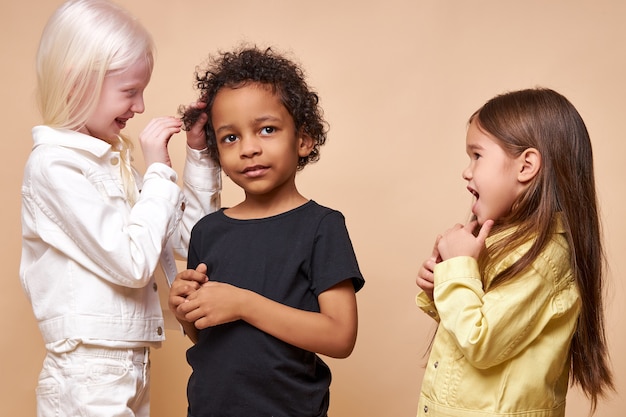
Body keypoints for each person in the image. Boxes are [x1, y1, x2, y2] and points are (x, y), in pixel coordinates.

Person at [19, 1, 221, 416]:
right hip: (88, 368)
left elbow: (189, 238)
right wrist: (158, 173)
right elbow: (132, 262)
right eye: (130, 91)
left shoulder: (115, 162)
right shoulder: (56, 166)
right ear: (78, 82)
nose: (141, 106)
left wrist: (198, 157)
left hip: (126, 359)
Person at [168, 46, 365, 417]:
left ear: (304, 139)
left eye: (267, 129)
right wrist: (185, 312)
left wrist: (243, 304)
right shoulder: (207, 231)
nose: (249, 149)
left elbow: (340, 337)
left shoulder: (321, 226)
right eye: (230, 138)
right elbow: (205, 333)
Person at [415, 88, 614, 417]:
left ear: (527, 166)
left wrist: (460, 270)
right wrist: (441, 283)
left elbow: (480, 341)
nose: (467, 170)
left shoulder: (543, 260)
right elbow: (484, 322)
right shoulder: (509, 240)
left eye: (477, 155)